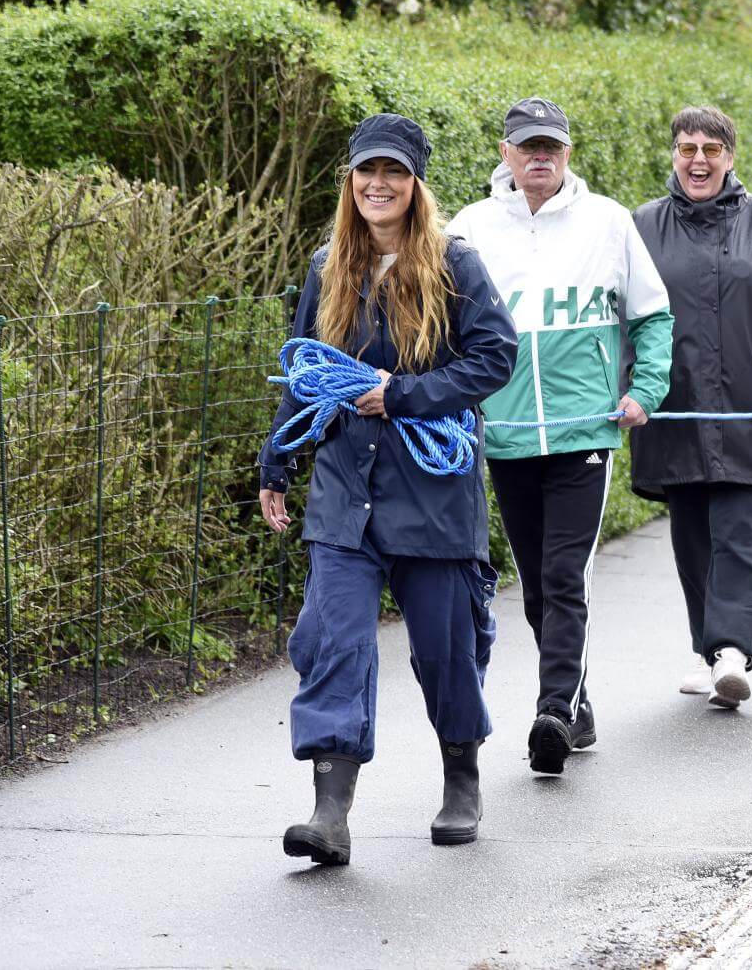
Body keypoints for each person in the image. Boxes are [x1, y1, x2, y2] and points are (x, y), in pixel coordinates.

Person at [258, 113, 518, 865]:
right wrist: (278, 461)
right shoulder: (326, 266)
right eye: (368, 171)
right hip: (346, 492)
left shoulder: (453, 264)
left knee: (445, 648)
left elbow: (493, 359)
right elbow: (306, 373)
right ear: (351, 180)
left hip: (431, 494)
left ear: (415, 184)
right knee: (335, 642)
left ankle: (461, 777)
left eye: (395, 173)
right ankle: (329, 814)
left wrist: (401, 393)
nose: (379, 184)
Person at [447, 97, 674, 776]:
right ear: (506, 152)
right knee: (538, 589)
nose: (539, 157)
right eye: (527, 146)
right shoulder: (469, 229)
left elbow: (654, 317)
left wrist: (646, 390)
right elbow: (437, 324)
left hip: (585, 430)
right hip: (506, 435)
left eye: (551, 146)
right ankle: (579, 704)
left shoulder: (608, 222)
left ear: (568, 154)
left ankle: (552, 710)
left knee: (565, 573)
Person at [630, 105, 752, 709]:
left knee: (740, 531)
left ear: (731, 157)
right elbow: (620, 315)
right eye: (687, 148)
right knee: (692, 536)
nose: (698, 160)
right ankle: (707, 649)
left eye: (711, 150)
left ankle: (734, 653)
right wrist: (625, 389)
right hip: (674, 404)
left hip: (749, 403)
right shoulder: (641, 226)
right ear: (673, 154)